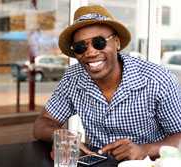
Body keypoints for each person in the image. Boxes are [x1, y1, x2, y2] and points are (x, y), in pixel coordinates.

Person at [33, 5, 181, 161]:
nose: (90, 52)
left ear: (116, 43)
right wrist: (63, 137)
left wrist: (144, 150)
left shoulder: (157, 79)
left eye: (99, 42)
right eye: (80, 47)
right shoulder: (73, 78)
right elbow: (42, 123)